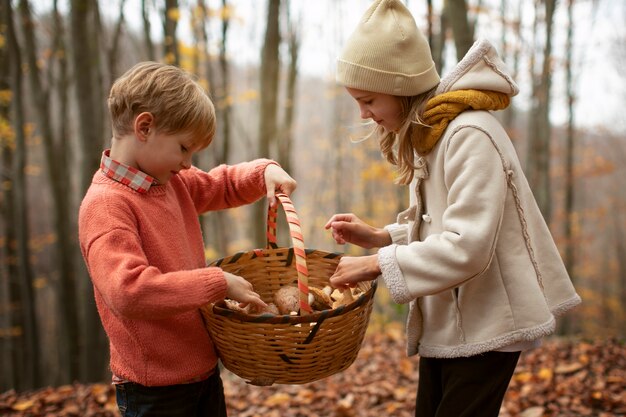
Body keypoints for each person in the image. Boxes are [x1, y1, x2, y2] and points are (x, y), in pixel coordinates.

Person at [324, 1, 581, 416]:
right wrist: (381, 236)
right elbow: (442, 226)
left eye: (368, 99)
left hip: (490, 318)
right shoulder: (435, 134)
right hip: (452, 316)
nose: (363, 114)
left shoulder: (469, 134)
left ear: (400, 87)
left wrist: (375, 263)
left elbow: (468, 246)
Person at [78, 62, 297, 417]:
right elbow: (128, 291)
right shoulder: (106, 206)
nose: (186, 163)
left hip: (203, 371)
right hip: (154, 388)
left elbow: (220, 185)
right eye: (183, 148)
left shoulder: (168, 181)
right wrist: (218, 282)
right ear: (144, 127)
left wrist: (263, 172)